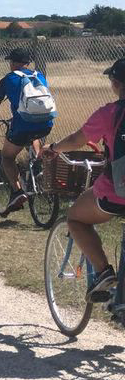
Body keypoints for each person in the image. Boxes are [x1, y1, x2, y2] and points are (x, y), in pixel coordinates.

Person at [42, 58, 125, 302]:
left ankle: (103, 272)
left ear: (115, 83)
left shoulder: (109, 113)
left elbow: (77, 140)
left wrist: (54, 148)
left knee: (76, 218)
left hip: (116, 192)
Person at [0, 47, 56, 215]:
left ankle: (18, 192)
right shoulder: (39, 76)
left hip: (22, 126)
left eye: (10, 62)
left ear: (13, 63)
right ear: (27, 63)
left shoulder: (8, 79)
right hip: (46, 123)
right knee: (33, 135)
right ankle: (38, 166)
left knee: (7, 157)